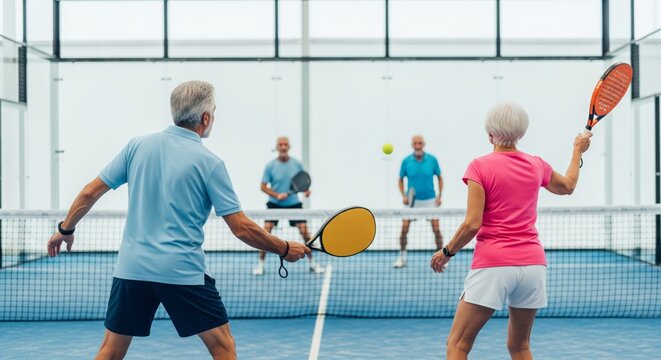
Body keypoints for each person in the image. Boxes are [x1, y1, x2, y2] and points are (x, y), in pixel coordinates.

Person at [46, 81, 310, 360]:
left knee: (110, 353)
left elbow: (89, 192)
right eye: (214, 112)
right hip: (182, 272)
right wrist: (283, 248)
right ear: (206, 118)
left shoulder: (136, 146)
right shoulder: (210, 164)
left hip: (132, 269)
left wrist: (66, 229)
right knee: (223, 349)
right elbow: (241, 228)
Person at [430, 102, 592, 360]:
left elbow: (473, 223)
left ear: (490, 134)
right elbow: (568, 186)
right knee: (519, 346)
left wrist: (447, 251)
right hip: (533, 267)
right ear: (521, 134)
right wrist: (577, 151)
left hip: (493, 264)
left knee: (458, 344)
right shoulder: (537, 164)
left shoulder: (479, 167)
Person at [253, 136, 324, 275]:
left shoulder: (297, 164)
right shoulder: (270, 166)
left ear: (289, 147)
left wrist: (306, 191)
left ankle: (313, 263)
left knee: (305, 233)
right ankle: (260, 265)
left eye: (286, 144)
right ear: (277, 147)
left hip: (294, 204)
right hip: (274, 204)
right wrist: (276, 195)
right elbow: (263, 186)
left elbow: (302, 183)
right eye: (281, 144)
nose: (283, 147)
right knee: (265, 233)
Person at [393, 135, 444, 268]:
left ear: (424, 144)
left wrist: (439, 196)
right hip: (411, 202)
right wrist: (403, 196)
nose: (417, 146)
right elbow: (400, 179)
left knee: (436, 229)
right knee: (404, 229)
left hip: (430, 201)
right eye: (415, 143)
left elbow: (439, 178)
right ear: (412, 145)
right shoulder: (406, 161)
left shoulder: (432, 160)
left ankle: (442, 258)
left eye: (420, 143)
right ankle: (402, 257)